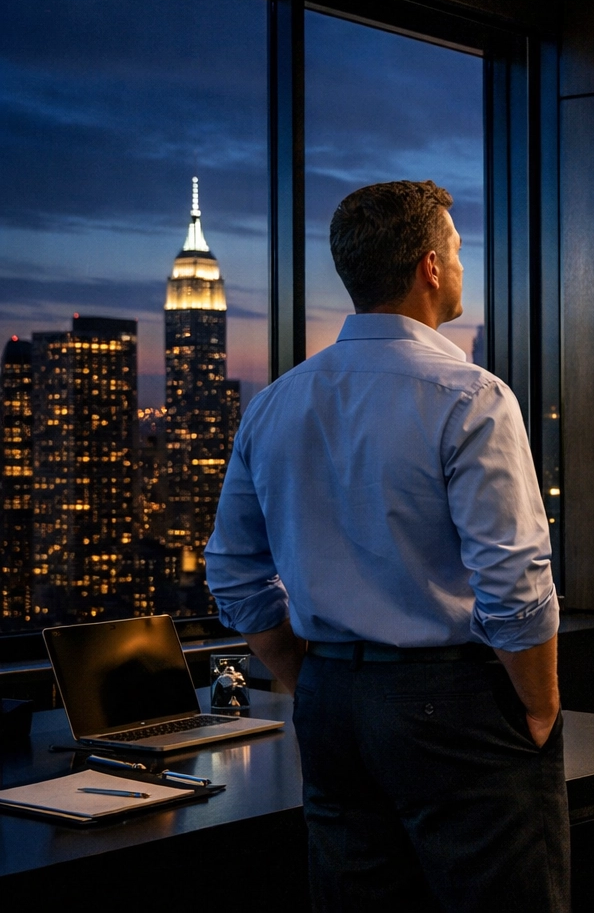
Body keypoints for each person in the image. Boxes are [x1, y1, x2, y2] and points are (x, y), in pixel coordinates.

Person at [204, 181, 567, 910]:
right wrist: (541, 704)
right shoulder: (470, 396)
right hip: (452, 701)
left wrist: (308, 678)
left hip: (334, 703)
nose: (463, 265)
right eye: (459, 250)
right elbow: (514, 582)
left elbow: (233, 574)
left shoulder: (275, 402)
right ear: (431, 266)